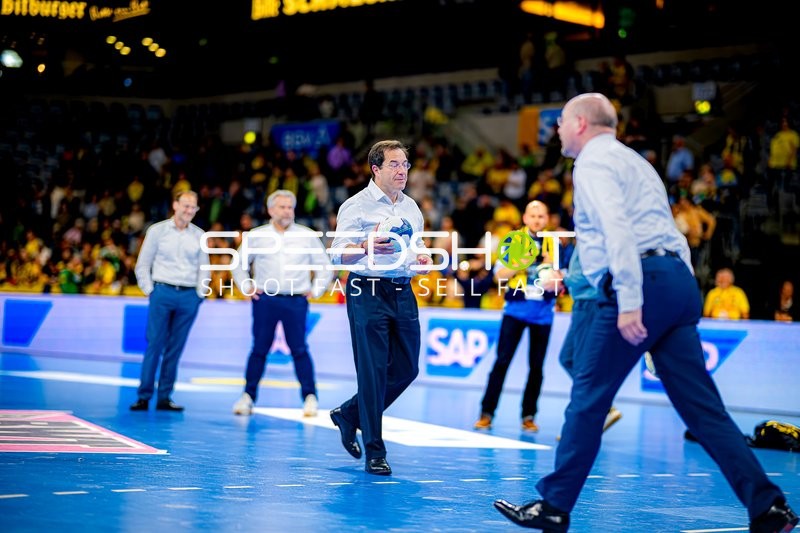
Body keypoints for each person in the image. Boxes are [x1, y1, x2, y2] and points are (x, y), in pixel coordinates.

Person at [493, 93, 797, 533]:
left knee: (588, 395)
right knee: (704, 410)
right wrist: (676, 290)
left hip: (640, 282)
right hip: (676, 280)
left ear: (580, 123)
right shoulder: (637, 162)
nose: (556, 129)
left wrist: (632, 298)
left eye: (560, 121)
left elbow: (617, 228)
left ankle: (554, 505)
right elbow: (669, 232)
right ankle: (768, 507)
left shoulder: (592, 163)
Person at [329, 140, 431, 476]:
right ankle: (375, 450)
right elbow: (335, 255)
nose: (402, 170)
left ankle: (349, 414)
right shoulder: (356, 206)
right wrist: (363, 245)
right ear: (376, 169)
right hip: (366, 291)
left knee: (407, 369)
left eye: (405, 164)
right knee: (372, 372)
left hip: (402, 290)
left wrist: (421, 258)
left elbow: (415, 247)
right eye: (395, 165)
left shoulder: (412, 208)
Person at [231, 190, 334, 417]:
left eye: (290, 207)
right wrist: (247, 286)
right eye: (282, 207)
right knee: (259, 349)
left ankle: (310, 398)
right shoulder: (257, 236)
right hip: (265, 299)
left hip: (296, 300)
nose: (287, 211)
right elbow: (237, 263)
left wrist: (315, 290)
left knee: (299, 349)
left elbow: (325, 267)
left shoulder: (307, 235)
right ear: (270, 210)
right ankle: (247, 397)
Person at [473, 200, 560, 433]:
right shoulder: (513, 240)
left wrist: (555, 276)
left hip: (543, 313)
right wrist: (524, 260)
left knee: (536, 367)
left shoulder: (555, 244)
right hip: (515, 310)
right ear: (524, 218)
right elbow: (499, 274)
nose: (537, 220)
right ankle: (486, 413)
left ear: (547, 219)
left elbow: (562, 278)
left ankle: (529, 416)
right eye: (533, 215)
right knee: (502, 362)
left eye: (541, 216)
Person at [131, 190, 208, 412]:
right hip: (162, 291)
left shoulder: (199, 235)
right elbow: (143, 264)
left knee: (175, 348)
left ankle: (165, 396)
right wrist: (151, 291)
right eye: (185, 205)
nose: (189, 210)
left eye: (193, 207)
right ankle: (144, 396)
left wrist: (199, 294)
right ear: (175, 205)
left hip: (188, 296)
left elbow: (205, 268)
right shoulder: (157, 231)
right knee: (154, 344)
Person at [558, 246, 622, 434]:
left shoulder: (595, 236)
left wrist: (562, 278)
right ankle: (604, 407)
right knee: (568, 359)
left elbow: (592, 272)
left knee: (580, 364)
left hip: (591, 302)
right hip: (583, 302)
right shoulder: (586, 235)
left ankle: (580, 424)